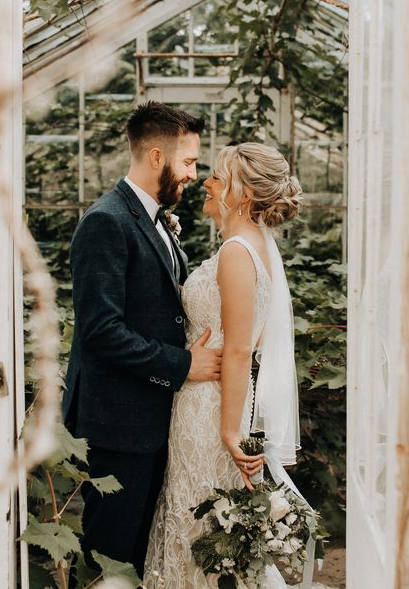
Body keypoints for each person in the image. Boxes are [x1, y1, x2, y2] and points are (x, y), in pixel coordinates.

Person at [62, 102, 223, 580]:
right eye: (189, 162)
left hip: (147, 420)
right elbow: (100, 330)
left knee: (134, 558)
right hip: (117, 425)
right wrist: (181, 365)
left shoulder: (155, 220)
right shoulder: (106, 222)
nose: (194, 175)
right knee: (108, 560)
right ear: (157, 157)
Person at [145, 142, 304, 588]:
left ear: (244, 194)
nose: (208, 184)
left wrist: (229, 433)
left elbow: (237, 350)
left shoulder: (237, 252)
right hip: (207, 396)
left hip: (212, 406)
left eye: (217, 176)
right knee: (203, 521)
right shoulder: (245, 246)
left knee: (200, 523)